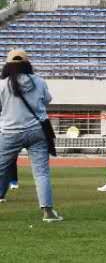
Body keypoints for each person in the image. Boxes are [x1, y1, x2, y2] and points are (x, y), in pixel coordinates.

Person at [0, 48, 61, 221]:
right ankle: (48, 211)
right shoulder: (39, 81)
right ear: (27, 63)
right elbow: (47, 100)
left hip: (10, 132)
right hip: (37, 131)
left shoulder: (2, 84)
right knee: (41, 173)